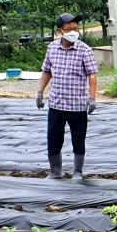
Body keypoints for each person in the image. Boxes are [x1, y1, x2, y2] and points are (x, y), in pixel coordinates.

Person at [36, 13, 98, 180]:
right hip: (56, 103)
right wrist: (40, 92)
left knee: (78, 138)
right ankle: (55, 171)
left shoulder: (84, 50)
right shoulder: (52, 49)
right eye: (69, 29)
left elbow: (92, 75)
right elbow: (47, 71)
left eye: (75, 29)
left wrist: (91, 98)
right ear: (60, 31)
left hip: (77, 104)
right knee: (54, 138)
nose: (73, 32)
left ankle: (78, 171)